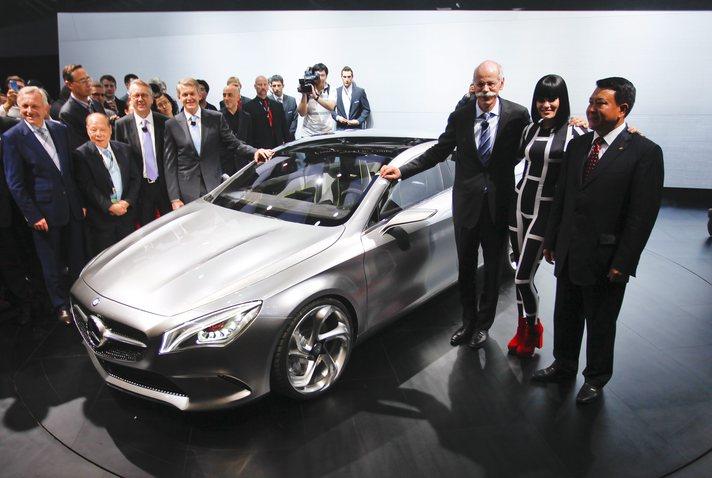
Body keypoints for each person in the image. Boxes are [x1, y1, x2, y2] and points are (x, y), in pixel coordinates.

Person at [380, 60, 530, 349]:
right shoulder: (461, 116)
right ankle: (468, 322)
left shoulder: (518, 115)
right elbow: (439, 151)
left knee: (493, 270)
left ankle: (483, 325)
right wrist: (402, 171)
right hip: (466, 205)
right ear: (473, 85)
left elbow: (531, 144)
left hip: (498, 205)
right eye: (480, 84)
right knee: (466, 269)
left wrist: (572, 127)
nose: (486, 89)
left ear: (501, 83)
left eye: (491, 83)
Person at [532, 77, 664, 404]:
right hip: (569, 249)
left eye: (600, 103)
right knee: (565, 313)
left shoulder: (645, 153)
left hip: (606, 257)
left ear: (623, 109)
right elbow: (562, 197)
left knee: (601, 321)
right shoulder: (579, 146)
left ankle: (596, 377)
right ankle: (564, 364)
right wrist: (552, 239)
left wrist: (624, 262)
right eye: (591, 102)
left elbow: (641, 215)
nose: (591, 108)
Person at [507, 75, 586, 357]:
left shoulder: (575, 132)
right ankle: (521, 328)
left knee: (522, 278)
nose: (546, 104)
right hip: (519, 205)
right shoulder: (530, 129)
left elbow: (599, 153)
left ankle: (532, 328)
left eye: (552, 99)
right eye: (541, 99)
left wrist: (633, 132)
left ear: (562, 100)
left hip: (547, 211)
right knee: (519, 272)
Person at [2, 87, 85, 324]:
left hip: (71, 208)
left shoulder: (60, 129)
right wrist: (33, 215)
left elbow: (70, 171)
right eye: (25, 106)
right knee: (51, 264)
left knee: (77, 259)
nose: (29, 111)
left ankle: (79, 302)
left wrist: (79, 203)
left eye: (34, 106)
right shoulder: (13, 137)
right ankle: (61, 306)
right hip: (44, 214)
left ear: (46, 107)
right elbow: (15, 183)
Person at [164, 78, 272, 208]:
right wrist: (174, 198)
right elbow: (170, 165)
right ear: (179, 97)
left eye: (192, 93)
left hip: (214, 186)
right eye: (185, 94)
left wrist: (255, 151)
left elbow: (234, 143)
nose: (189, 98)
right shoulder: (171, 124)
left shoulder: (215, 118)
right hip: (187, 191)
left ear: (199, 95)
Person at [73, 114, 139, 257]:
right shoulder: (81, 154)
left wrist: (127, 202)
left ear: (110, 129)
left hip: (126, 215)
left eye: (102, 129)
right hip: (102, 221)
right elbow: (87, 187)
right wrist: (109, 206)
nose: (98, 134)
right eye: (93, 130)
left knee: (131, 256)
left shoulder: (124, 149)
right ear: (87, 130)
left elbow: (135, 179)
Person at [114, 80, 172, 225]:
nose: (140, 99)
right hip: (140, 189)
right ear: (130, 99)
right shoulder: (121, 125)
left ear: (152, 99)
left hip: (164, 186)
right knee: (147, 229)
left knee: (172, 227)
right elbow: (121, 161)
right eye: (136, 95)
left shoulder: (165, 122)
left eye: (144, 95)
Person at [59, 64, 107, 150]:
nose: (88, 84)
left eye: (88, 79)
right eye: (82, 81)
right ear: (69, 85)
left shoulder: (96, 104)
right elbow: (79, 146)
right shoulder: (67, 113)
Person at [241, 76, 288, 149]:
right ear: (255, 86)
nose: (263, 87)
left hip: (277, 147)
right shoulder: (247, 107)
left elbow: (284, 129)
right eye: (260, 85)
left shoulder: (278, 105)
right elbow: (247, 134)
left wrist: (289, 148)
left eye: (265, 84)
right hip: (259, 149)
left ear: (268, 86)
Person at [297, 63, 336, 137]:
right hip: (308, 133)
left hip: (327, 132)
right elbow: (302, 113)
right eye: (317, 76)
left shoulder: (331, 89)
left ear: (326, 76)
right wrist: (304, 94)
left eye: (322, 75)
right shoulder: (307, 88)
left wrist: (316, 97)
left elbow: (331, 107)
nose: (320, 78)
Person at [220, 83, 251, 175]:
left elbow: (250, 140)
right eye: (224, 95)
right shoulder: (217, 117)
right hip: (225, 167)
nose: (226, 98)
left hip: (244, 165)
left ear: (238, 98)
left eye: (230, 95)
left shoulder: (247, 117)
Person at [268, 75, 298, 141]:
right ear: (271, 87)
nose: (276, 88)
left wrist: (287, 136)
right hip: (273, 140)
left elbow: (294, 120)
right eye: (274, 86)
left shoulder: (291, 100)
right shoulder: (267, 101)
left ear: (283, 86)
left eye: (279, 85)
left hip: (290, 138)